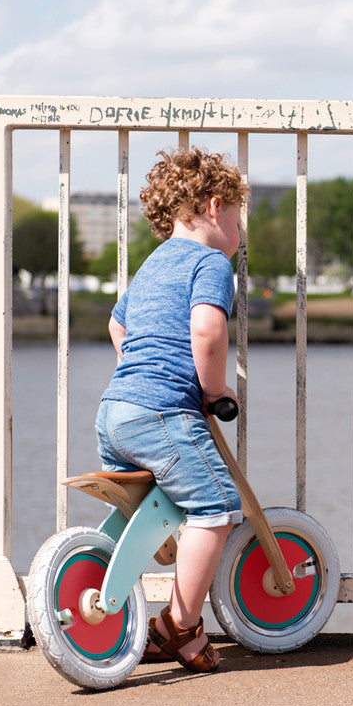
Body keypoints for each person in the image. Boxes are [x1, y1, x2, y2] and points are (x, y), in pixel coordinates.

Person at [95, 146, 248, 672]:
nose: (239, 230)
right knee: (217, 507)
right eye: (236, 216)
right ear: (212, 207)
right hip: (162, 413)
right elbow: (208, 327)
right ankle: (178, 625)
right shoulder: (209, 263)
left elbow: (118, 325)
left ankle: (109, 597)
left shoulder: (153, 263)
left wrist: (139, 365)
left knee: (153, 510)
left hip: (115, 412)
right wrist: (211, 389)